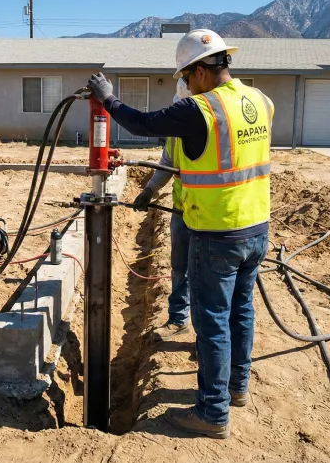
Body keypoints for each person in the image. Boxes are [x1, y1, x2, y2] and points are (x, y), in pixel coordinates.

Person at [87, 29, 273, 439]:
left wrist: (108, 99)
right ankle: (237, 388)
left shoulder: (200, 109)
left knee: (212, 322)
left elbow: (142, 123)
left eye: (186, 78)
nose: (185, 86)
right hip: (257, 227)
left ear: (202, 72)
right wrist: (152, 188)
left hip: (217, 232)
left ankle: (212, 414)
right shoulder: (260, 101)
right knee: (242, 310)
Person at [132, 79, 191, 341]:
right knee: (179, 268)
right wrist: (149, 191)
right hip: (183, 210)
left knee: (208, 279)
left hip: (211, 216)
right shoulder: (177, 133)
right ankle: (178, 319)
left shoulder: (211, 128)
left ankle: (210, 337)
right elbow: (167, 162)